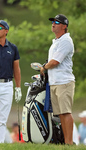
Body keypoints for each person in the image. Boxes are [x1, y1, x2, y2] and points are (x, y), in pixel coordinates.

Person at [40, 14, 75, 145]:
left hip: (64, 82)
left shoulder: (66, 40)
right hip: (55, 82)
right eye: (53, 21)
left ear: (64, 26)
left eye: (57, 22)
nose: (53, 24)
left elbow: (55, 61)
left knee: (66, 112)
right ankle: (66, 142)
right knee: (60, 114)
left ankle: (69, 143)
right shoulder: (56, 41)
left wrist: (44, 67)